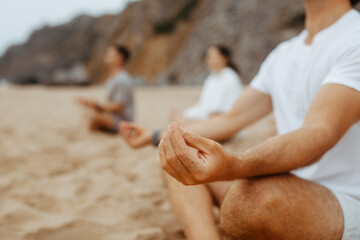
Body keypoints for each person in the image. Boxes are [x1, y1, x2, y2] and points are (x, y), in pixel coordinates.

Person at [122, 0, 360, 239]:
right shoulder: (284, 53)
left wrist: (235, 165)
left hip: (346, 197)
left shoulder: (354, 38)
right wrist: (156, 135)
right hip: (291, 184)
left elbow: (320, 132)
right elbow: (232, 118)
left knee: (252, 199)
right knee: (180, 159)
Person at [171, 45, 243, 125]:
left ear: (223, 58)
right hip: (209, 117)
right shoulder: (211, 78)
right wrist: (184, 114)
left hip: (223, 119)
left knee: (181, 123)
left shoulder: (230, 77)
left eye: (211, 57)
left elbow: (232, 106)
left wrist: (217, 114)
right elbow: (203, 105)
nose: (208, 60)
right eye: (207, 57)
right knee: (176, 117)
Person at [76, 45, 134, 134]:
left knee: (92, 114)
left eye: (110, 54)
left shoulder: (122, 79)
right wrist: (93, 105)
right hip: (114, 118)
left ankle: (86, 134)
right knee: (88, 112)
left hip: (123, 122)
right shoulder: (113, 79)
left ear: (120, 58)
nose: (106, 56)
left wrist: (98, 107)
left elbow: (119, 106)